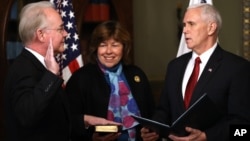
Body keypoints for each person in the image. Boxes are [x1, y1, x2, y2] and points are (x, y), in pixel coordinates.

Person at [141, 3, 250, 141]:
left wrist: (207, 136)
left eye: (191, 24)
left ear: (211, 28)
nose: (185, 30)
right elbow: (164, 110)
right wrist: (154, 129)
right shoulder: (175, 66)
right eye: (184, 24)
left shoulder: (236, 68)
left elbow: (243, 127)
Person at [65, 20, 155, 141]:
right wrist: (91, 138)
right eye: (103, 45)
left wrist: (153, 133)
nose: (108, 51)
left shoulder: (137, 74)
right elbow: (69, 122)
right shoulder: (80, 78)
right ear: (95, 48)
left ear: (124, 47)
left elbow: (152, 116)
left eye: (115, 45)